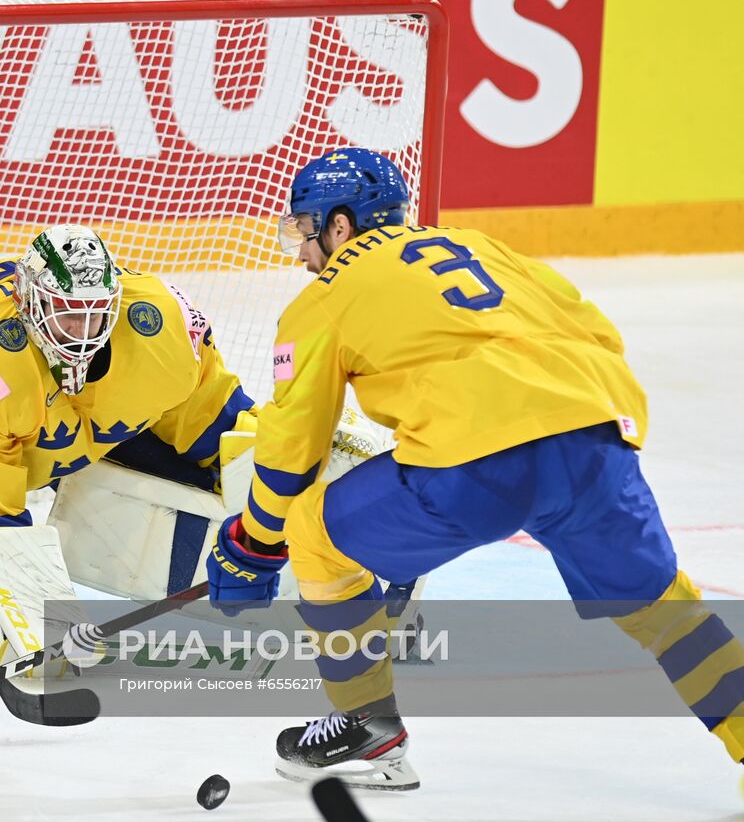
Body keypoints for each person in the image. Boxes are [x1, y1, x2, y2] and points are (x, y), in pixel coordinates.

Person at [205, 148, 744, 789]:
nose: (300, 250)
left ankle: (366, 726)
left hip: (474, 472)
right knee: (660, 606)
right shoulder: (482, 245)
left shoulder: (323, 299)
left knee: (316, 533)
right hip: (596, 442)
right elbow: (595, 331)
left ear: (340, 226)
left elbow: (293, 452)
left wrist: (257, 545)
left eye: (304, 229)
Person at [0, 224, 261, 667]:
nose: (82, 331)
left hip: (84, 427)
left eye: (95, 312)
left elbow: (209, 412)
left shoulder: (160, 325)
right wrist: (23, 609)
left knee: (211, 478)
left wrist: (271, 466)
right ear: (27, 304)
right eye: (67, 313)